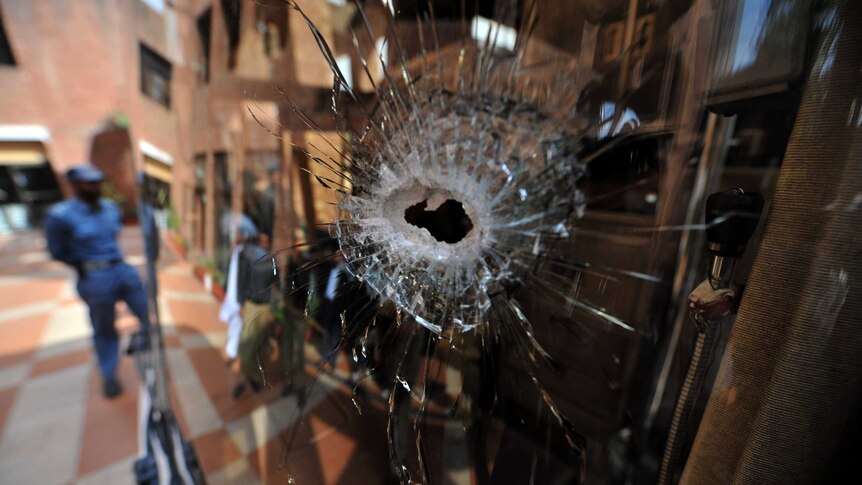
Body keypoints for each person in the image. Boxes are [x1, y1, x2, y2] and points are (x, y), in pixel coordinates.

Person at [44, 165, 150, 398]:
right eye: (89, 182)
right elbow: (56, 251)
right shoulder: (60, 215)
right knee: (104, 328)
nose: (95, 186)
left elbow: (114, 235)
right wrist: (84, 266)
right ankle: (109, 374)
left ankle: (143, 340)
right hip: (95, 276)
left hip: (121, 268)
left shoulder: (111, 209)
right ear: (74, 185)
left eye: (98, 182)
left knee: (145, 309)